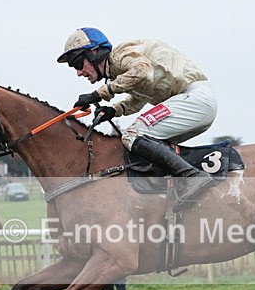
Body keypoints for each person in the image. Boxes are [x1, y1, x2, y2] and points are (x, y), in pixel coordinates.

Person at [57, 27, 217, 202]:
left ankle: (193, 176)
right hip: (191, 102)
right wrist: (114, 110)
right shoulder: (119, 72)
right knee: (146, 148)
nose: (79, 73)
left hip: (193, 98)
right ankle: (171, 193)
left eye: (78, 64)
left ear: (94, 53)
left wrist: (99, 94)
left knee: (132, 135)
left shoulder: (119, 56)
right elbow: (139, 99)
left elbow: (142, 70)